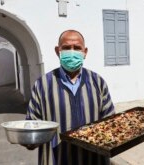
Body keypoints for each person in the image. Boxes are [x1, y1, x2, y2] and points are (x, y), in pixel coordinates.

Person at [25, 30, 115, 165]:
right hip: (55, 160)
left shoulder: (98, 82)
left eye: (77, 48)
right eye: (66, 48)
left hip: (94, 160)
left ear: (85, 52)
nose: (72, 52)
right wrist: (29, 140)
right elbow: (32, 126)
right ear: (58, 51)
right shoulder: (42, 85)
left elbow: (111, 123)